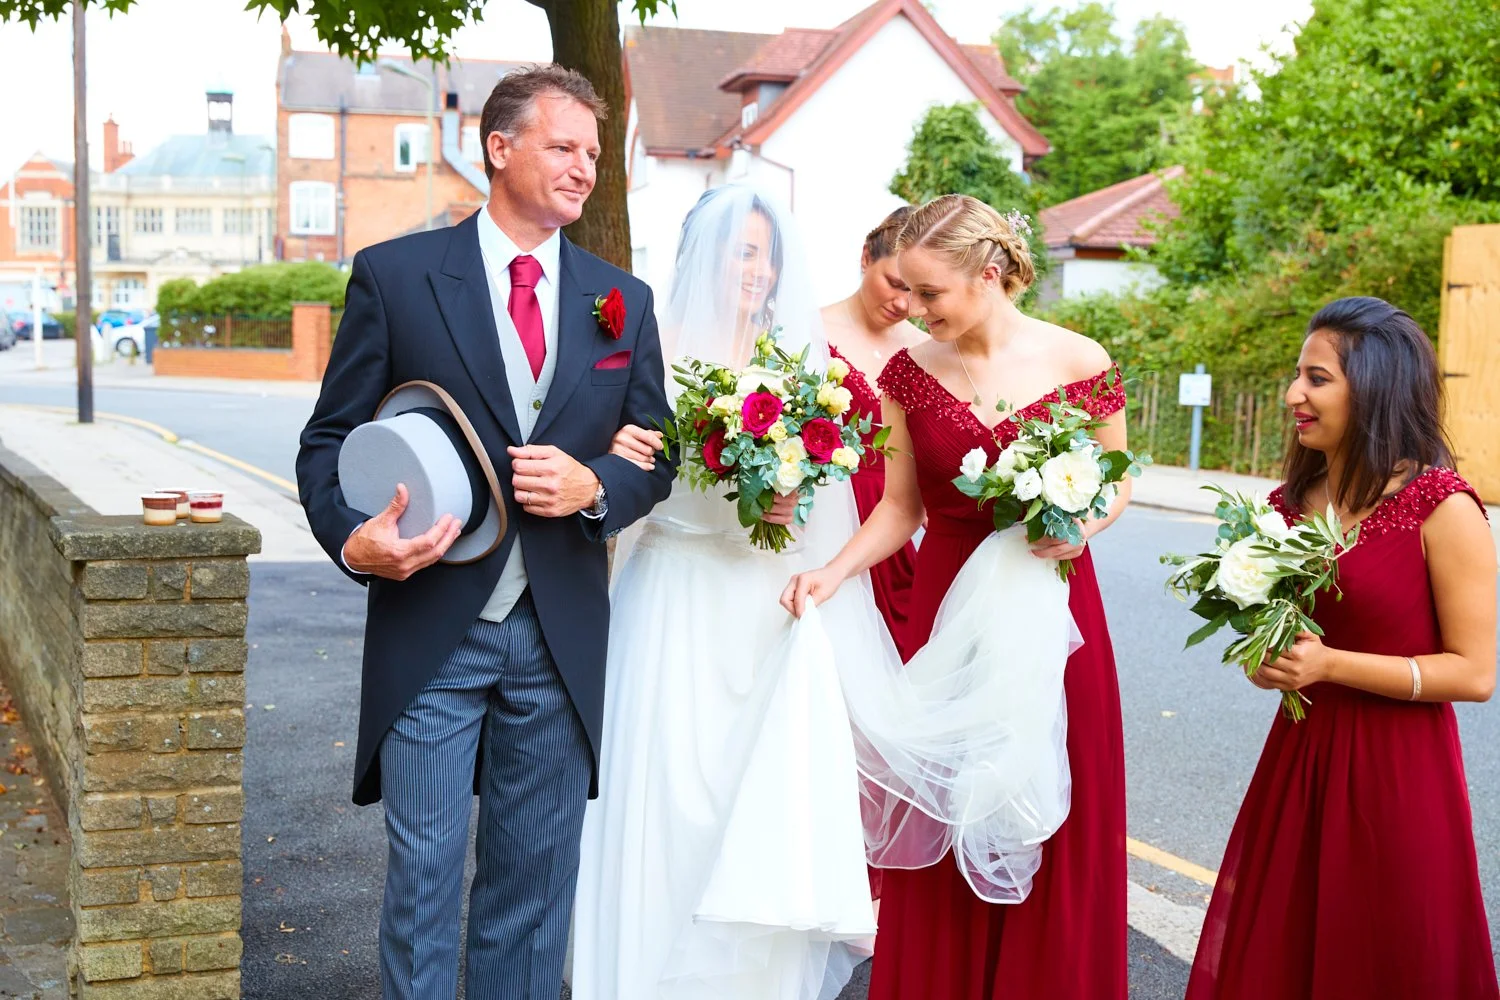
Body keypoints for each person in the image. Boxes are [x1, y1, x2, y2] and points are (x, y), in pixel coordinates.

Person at [295, 65, 675, 1000]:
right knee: (422, 886)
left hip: (559, 639)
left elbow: (656, 452)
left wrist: (599, 484)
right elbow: (329, 438)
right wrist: (354, 540)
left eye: (592, 152)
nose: (584, 168)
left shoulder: (621, 297)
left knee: (533, 891)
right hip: (435, 627)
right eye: (562, 146)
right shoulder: (398, 275)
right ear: (497, 148)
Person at [783, 193, 1131, 999]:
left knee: (1055, 811)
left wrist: (1084, 525)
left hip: (1054, 612)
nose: (909, 307)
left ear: (991, 273)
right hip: (944, 612)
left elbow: (1116, 483)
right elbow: (899, 507)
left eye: (929, 293)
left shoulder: (1080, 359)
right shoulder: (907, 373)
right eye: (903, 288)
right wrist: (833, 572)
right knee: (942, 803)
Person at [569, 184, 877, 1000]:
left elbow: (823, 484)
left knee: (756, 805)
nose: (760, 269)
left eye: (767, 253)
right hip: (675, 591)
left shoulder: (799, 363)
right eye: (744, 250)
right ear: (705, 255)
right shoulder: (651, 348)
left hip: (763, 603)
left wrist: (790, 495)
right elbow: (620, 467)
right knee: (662, 798)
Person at [1186, 296, 1499, 1000]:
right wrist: (1270, 665)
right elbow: (1274, 644)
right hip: (1299, 761)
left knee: (1386, 952)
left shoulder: (1443, 507)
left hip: (1400, 774)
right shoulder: (1285, 507)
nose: (1294, 393)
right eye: (1297, 374)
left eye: (1317, 378)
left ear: (1378, 388)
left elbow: (1476, 674)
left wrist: (1331, 665)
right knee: (1285, 951)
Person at [819, 206, 925, 658]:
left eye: (918, 293)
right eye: (895, 284)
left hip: (892, 525)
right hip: (820, 519)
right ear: (866, 257)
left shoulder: (927, 351)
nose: (904, 304)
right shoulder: (806, 330)